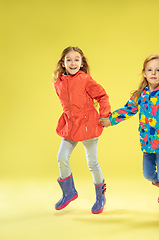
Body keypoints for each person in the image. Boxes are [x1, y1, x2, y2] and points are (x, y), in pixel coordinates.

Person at [100, 54, 159, 226]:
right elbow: (128, 110)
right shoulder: (140, 95)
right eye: (150, 70)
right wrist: (110, 120)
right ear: (144, 73)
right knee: (148, 174)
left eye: (158, 70)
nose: (153, 73)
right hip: (147, 144)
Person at [53, 46, 111, 214]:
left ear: (82, 62)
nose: (73, 63)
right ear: (63, 63)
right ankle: (69, 191)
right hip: (70, 127)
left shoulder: (85, 79)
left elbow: (102, 96)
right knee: (61, 157)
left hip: (88, 126)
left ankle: (100, 197)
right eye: (69, 60)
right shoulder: (59, 83)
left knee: (92, 163)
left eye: (76, 59)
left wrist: (104, 114)